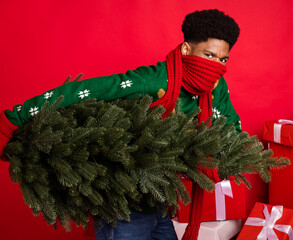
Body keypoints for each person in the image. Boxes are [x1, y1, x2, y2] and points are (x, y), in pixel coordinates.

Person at [0, 9, 240, 240]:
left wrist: (226, 158)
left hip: (158, 202)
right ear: (187, 49)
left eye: (223, 59)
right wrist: (15, 118)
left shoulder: (216, 87)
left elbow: (230, 124)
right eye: (208, 55)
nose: (216, 65)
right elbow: (82, 91)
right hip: (124, 207)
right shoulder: (153, 81)